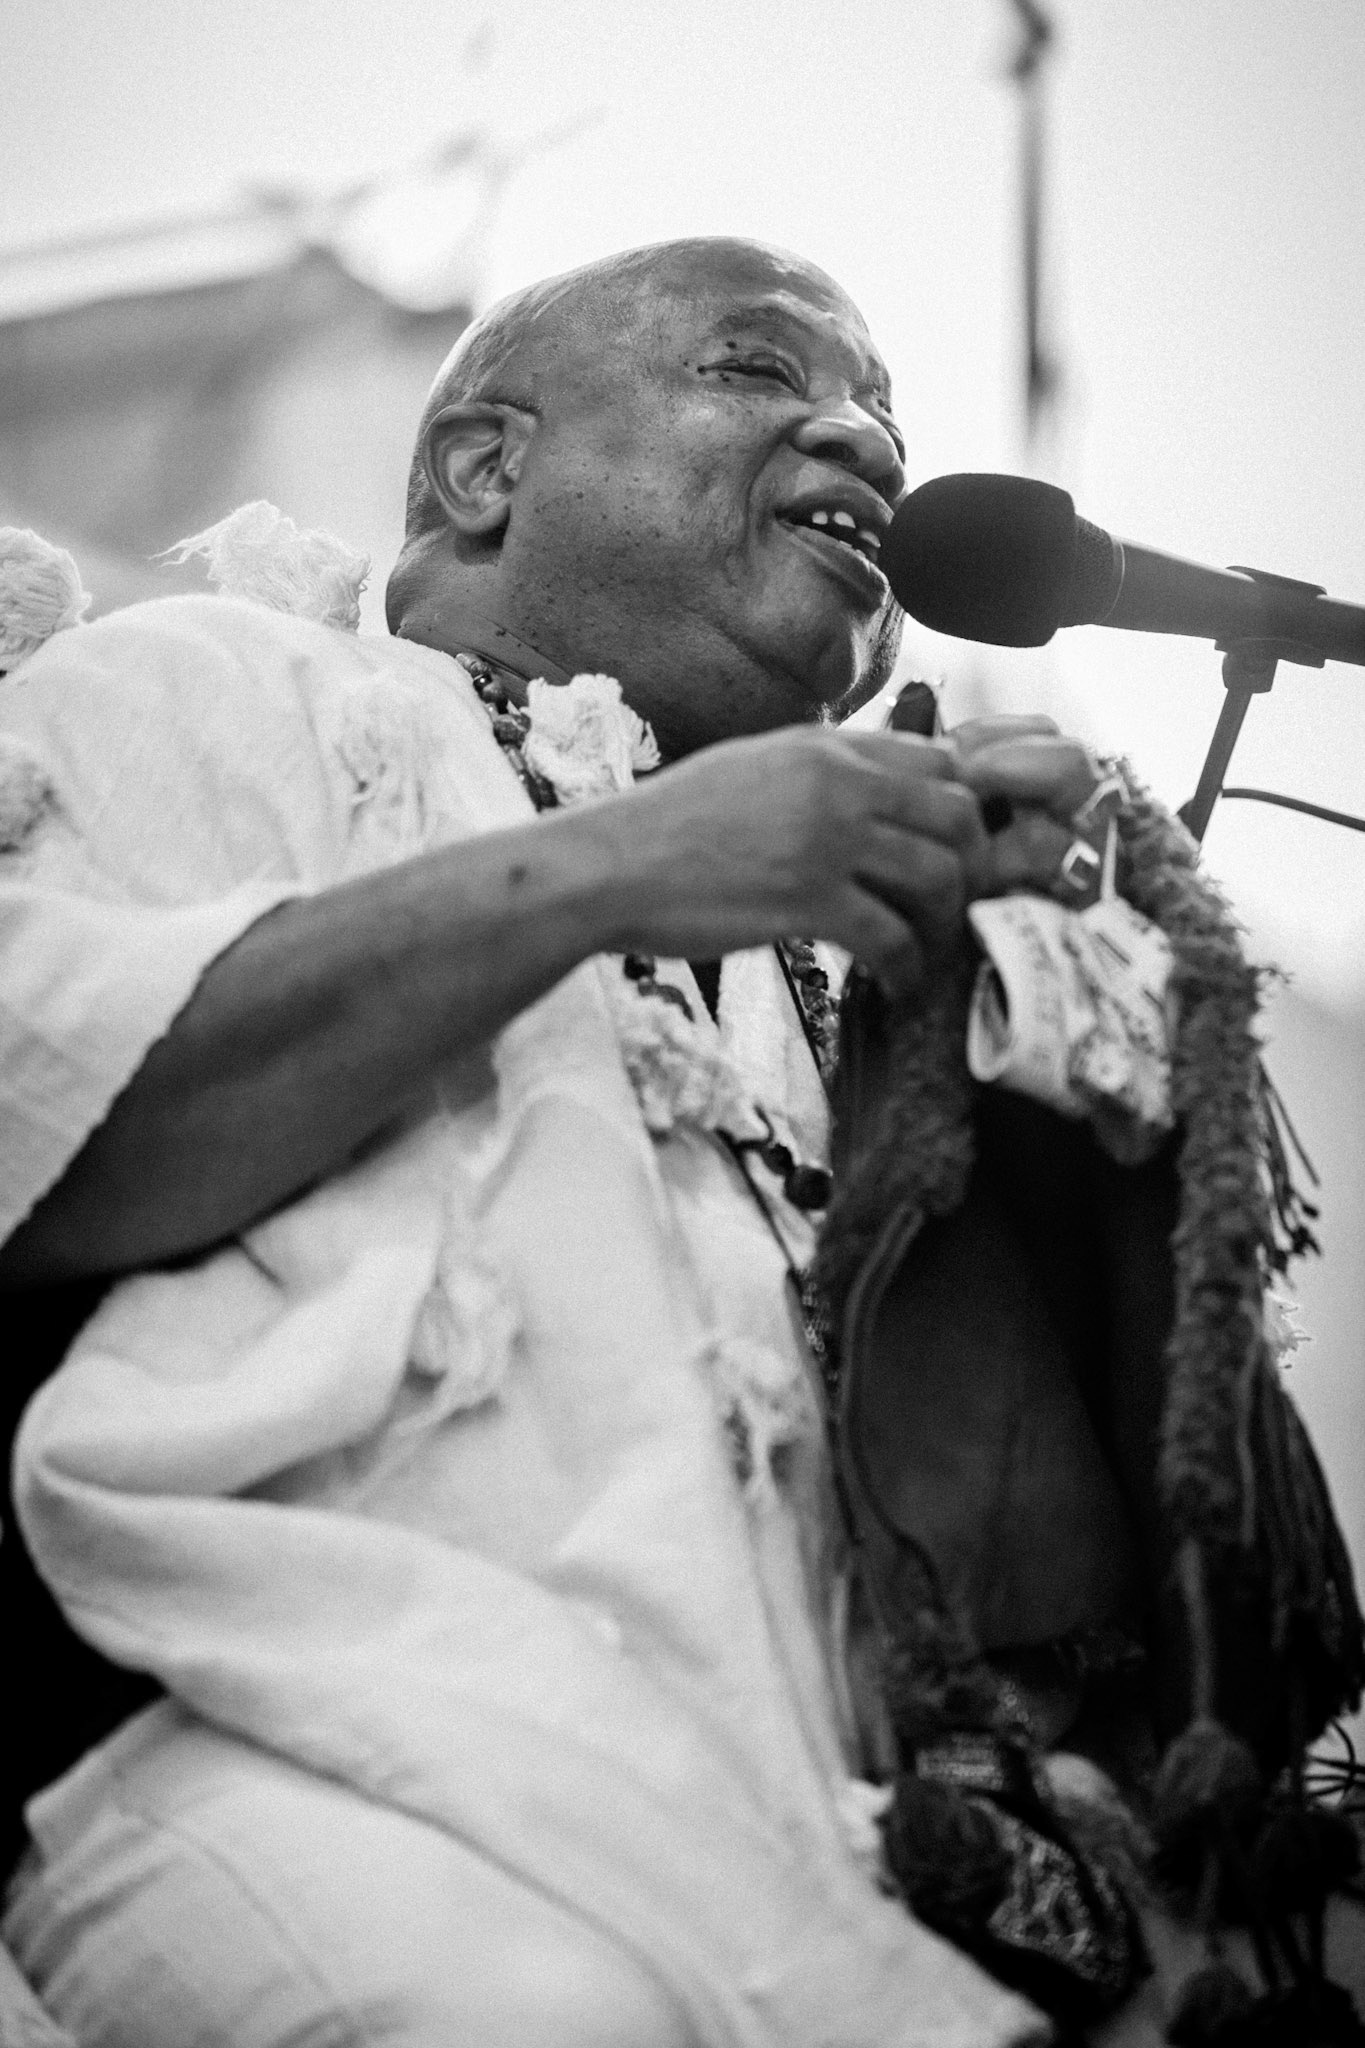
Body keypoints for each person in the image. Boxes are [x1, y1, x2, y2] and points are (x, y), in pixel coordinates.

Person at [0, 237, 1108, 2048]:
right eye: (756, 371)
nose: (863, 444)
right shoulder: (209, 683)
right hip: (317, 1751)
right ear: (482, 471)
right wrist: (621, 870)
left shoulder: (863, 955)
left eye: (888, 423)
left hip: (797, 1854)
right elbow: (44, 1131)